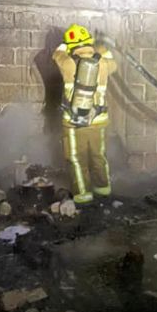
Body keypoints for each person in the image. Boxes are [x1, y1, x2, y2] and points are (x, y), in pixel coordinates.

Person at [52, 24, 117, 204]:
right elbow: (114, 64)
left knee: (76, 158)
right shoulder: (104, 63)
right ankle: (103, 191)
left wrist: (64, 44)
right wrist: (100, 46)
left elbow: (56, 54)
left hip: (74, 123)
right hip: (99, 120)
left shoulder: (67, 62)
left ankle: (83, 195)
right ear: (89, 42)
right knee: (99, 156)